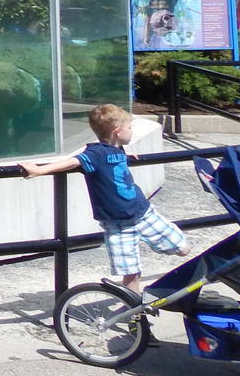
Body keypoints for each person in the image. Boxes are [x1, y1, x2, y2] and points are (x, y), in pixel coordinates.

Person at [20, 103, 192, 294]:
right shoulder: (96, 153)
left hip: (143, 213)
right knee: (131, 273)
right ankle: (134, 309)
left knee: (183, 249)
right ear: (118, 131)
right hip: (117, 224)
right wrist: (39, 170)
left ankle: (163, 275)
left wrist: (125, 155)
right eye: (129, 127)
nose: (132, 131)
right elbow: (72, 162)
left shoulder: (117, 149)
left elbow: (114, 160)